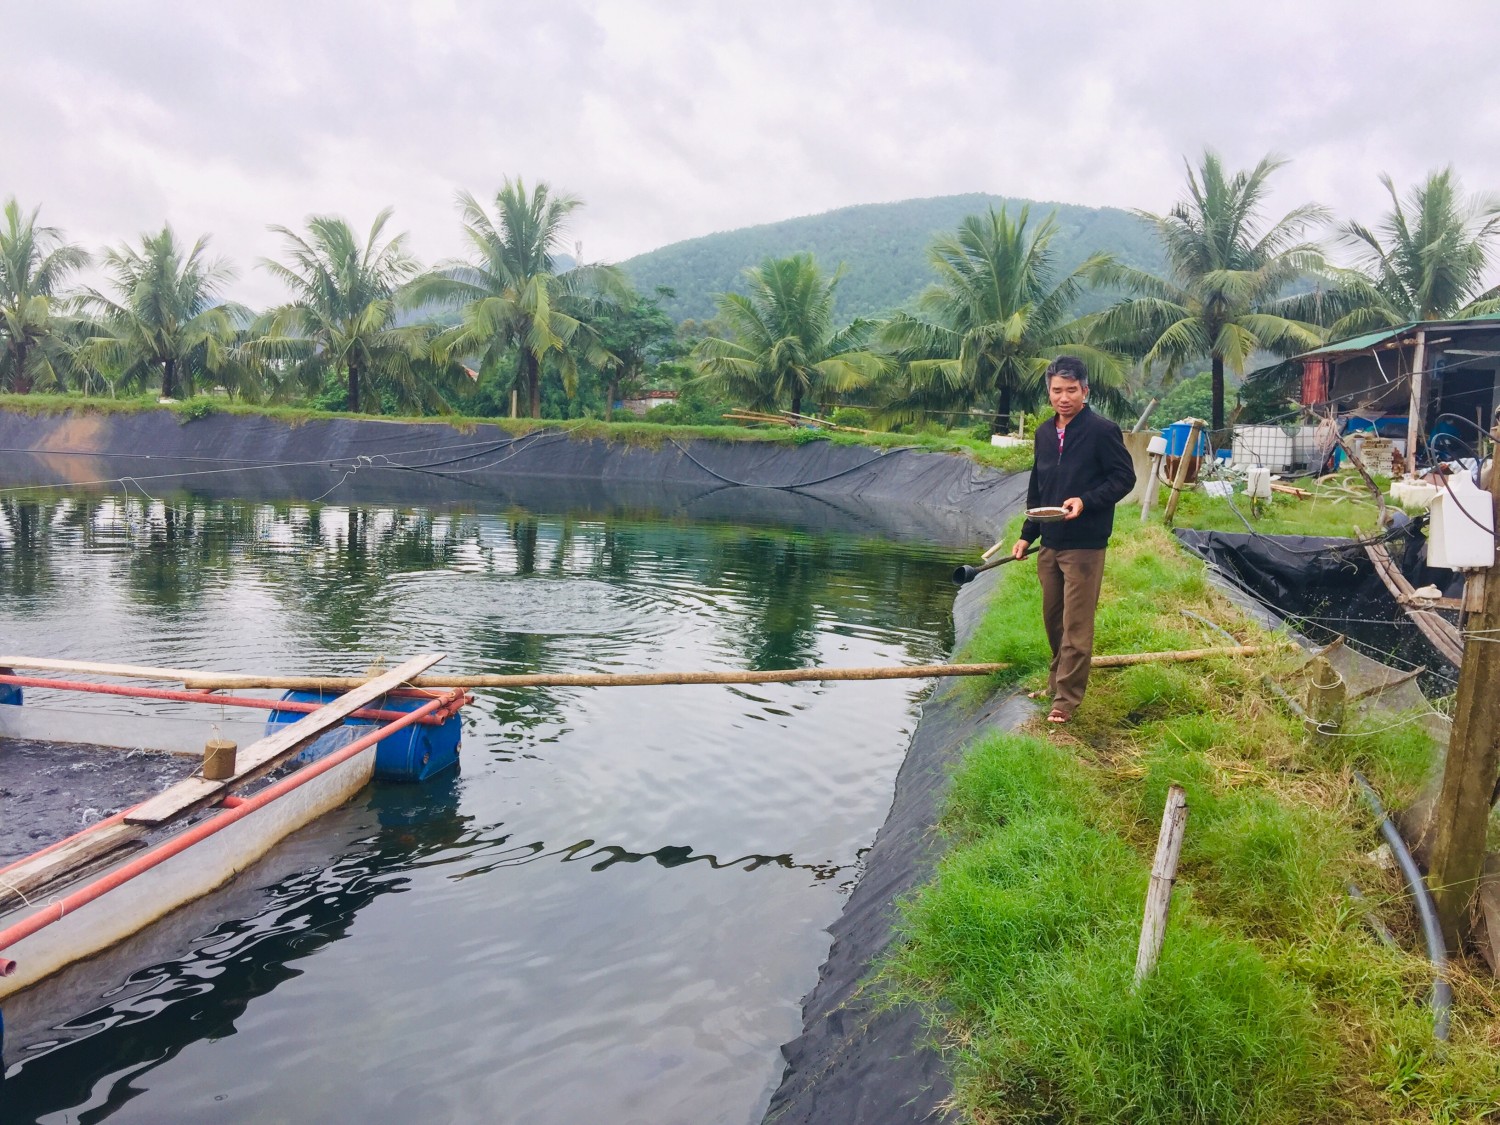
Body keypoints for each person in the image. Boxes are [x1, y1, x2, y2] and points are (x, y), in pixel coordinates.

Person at [1011, 355, 1137, 723]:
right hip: (1050, 542)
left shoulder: (1102, 430)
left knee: (1076, 626)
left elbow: (1123, 478)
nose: (1063, 397)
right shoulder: (1044, 433)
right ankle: (1055, 681)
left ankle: (1066, 701)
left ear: (1085, 390)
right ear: (1048, 392)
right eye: (1056, 391)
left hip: (1084, 544)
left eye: (1071, 390)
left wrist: (1086, 501)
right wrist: (1026, 535)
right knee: (1053, 620)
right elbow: (1039, 486)